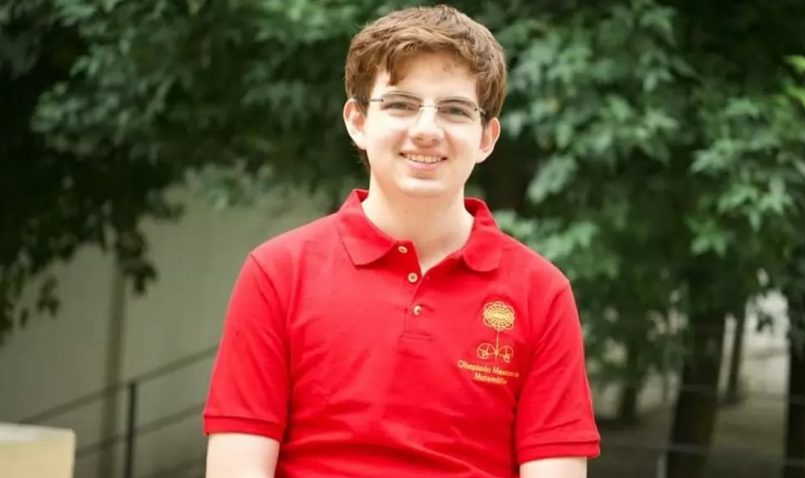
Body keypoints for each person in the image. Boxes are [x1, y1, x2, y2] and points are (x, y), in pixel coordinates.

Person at [203, 5, 600, 478]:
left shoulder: (541, 294)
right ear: (357, 121)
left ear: (486, 138)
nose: (426, 130)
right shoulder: (278, 274)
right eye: (401, 104)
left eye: (454, 110)